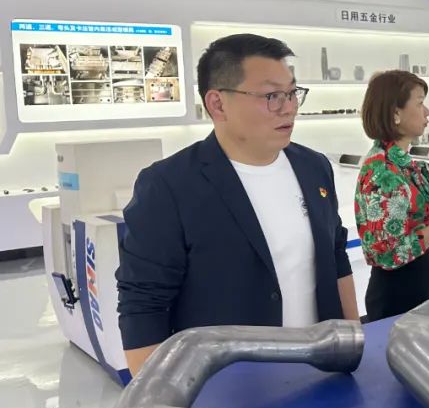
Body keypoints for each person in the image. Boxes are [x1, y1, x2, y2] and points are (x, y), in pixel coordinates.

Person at [116, 34, 359, 377]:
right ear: (218, 104)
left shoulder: (314, 167)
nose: (289, 107)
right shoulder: (169, 185)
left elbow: (336, 256)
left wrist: (353, 340)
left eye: (292, 93)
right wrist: (159, 396)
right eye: (272, 96)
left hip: (321, 370)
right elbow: (144, 304)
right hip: (227, 383)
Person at [355, 70, 429, 321]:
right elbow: (392, 252)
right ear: (395, 113)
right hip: (399, 294)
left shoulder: (402, 163)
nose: (427, 112)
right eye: (419, 103)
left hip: (418, 279)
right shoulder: (383, 172)